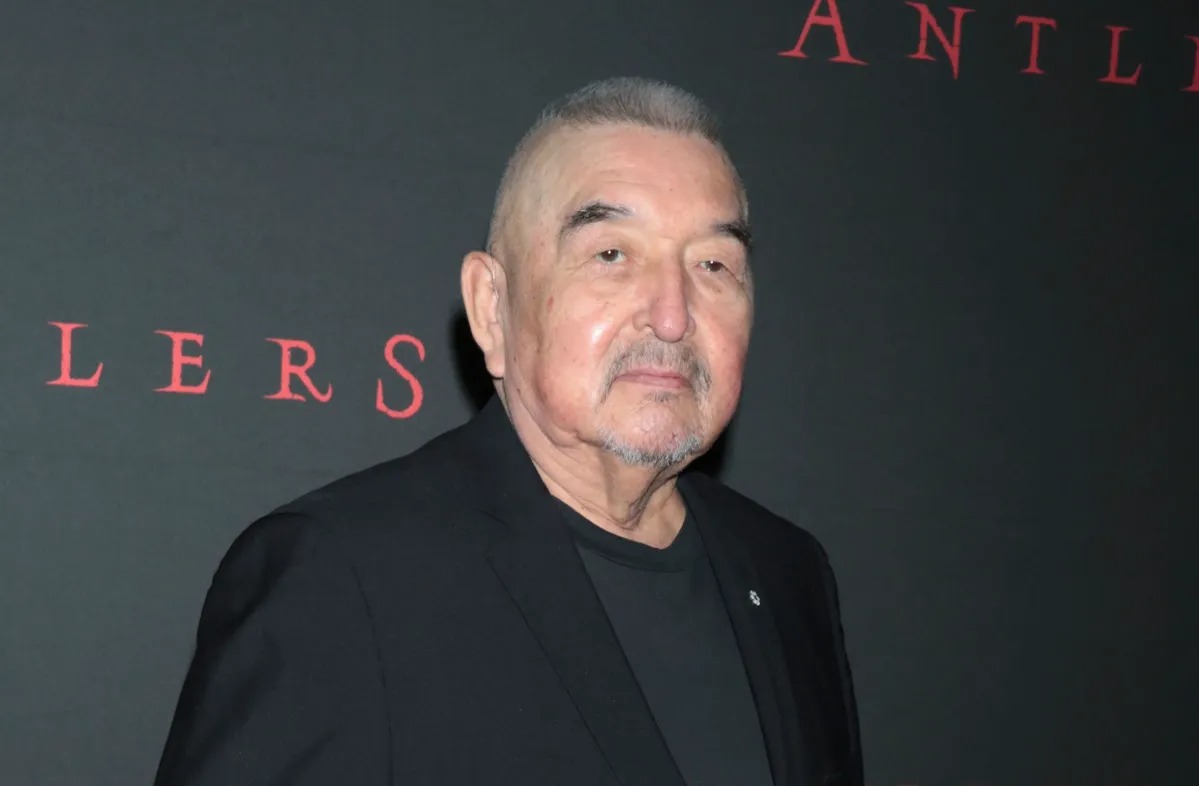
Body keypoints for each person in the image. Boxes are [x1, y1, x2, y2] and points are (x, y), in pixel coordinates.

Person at [153, 76, 863, 786]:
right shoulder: (343, 576)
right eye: (611, 255)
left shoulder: (788, 573)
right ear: (492, 308)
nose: (673, 316)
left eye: (713, 264)